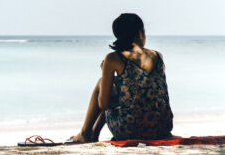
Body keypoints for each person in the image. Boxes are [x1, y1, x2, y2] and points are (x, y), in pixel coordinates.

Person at [71, 13, 173, 142]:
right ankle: (92, 134)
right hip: (162, 129)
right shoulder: (158, 56)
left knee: (102, 84)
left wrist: (105, 73)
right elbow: (144, 86)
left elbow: (103, 104)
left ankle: (86, 133)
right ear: (140, 33)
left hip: (130, 130)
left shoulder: (113, 58)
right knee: (116, 90)